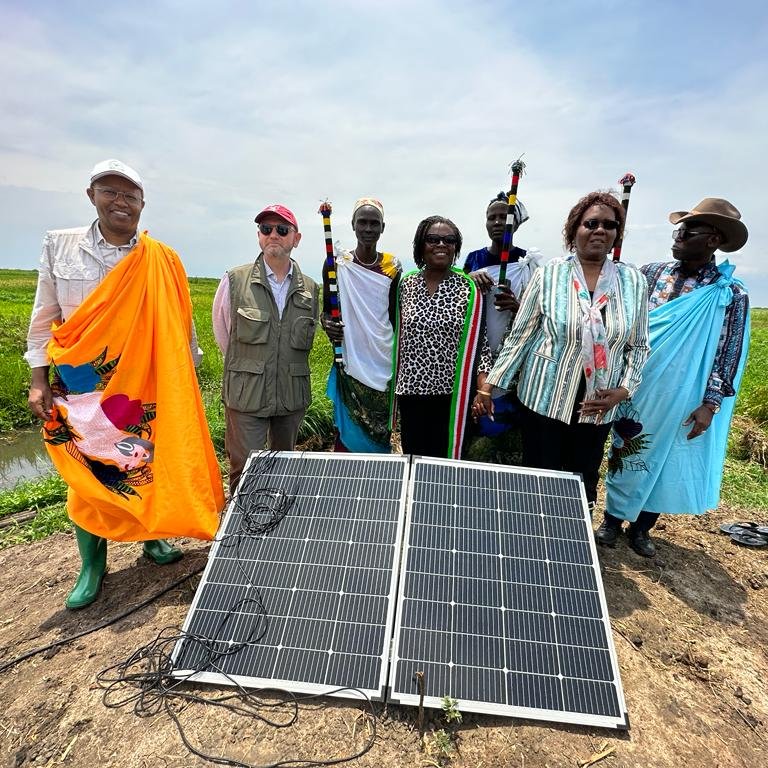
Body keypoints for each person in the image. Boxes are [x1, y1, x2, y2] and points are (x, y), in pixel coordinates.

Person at [25, 159, 224, 610]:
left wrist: (184, 376)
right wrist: (38, 378)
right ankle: (92, 565)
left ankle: (152, 538)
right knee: (88, 471)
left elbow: (181, 324)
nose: (120, 201)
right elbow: (43, 317)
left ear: (142, 203)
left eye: (130, 195)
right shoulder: (60, 245)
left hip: (144, 385)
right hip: (82, 384)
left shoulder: (161, 258)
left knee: (144, 462)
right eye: (110, 191)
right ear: (91, 195)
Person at [474, 191, 650, 512]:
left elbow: (638, 345)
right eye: (591, 223)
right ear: (574, 229)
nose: (600, 230)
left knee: (582, 478)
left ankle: (572, 536)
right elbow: (521, 336)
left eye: (609, 225)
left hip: (598, 403)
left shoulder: (633, 282)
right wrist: (489, 387)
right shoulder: (550, 274)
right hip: (544, 398)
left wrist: (624, 390)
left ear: (617, 233)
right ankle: (533, 531)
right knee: (540, 476)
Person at [600, 198, 750, 557]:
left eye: (688, 232)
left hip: (685, 391)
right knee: (627, 447)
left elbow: (727, 352)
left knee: (665, 458)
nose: (678, 237)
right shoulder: (650, 274)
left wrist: (710, 404)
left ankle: (642, 528)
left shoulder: (729, 292)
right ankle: (611, 520)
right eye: (678, 231)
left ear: (713, 239)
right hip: (639, 383)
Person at [213, 204, 320, 494]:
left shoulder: (311, 290)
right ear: (259, 235)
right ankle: (242, 520)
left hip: (291, 395)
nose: (274, 235)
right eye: (266, 229)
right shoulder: (235, 280)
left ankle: (277, 519)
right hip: (246, 394)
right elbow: (224, 334)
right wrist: (251, 366)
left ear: (296, 239)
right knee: (244, 468)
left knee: (283, 467)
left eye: (282, 230)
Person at [390, 216, 491, 459]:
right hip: (411, 394)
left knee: (446, 465)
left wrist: (484, 390)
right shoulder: (406, 285)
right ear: (420, 245)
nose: (441, 245)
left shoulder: (467, 288)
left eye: (449, 240)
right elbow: (392, 333)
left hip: (452, 397)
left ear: (456, 247)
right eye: (433, 239)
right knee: (415, 461)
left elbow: (481, 345)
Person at [463, 193, 543, 458]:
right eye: (492, 217)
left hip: (513, 356)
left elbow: (540, 313)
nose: (497, 222)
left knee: (510, 430)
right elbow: (461, 298)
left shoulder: (526, 262)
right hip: (479, 351)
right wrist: (471, 279)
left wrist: (518, 306)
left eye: (504, 217)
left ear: (516, 223)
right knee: (475, 425)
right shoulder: (474, 259)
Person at [321, 198, 401, 452]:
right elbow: (326, 311)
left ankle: (378, 473)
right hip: (350, 357)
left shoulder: (392, 267)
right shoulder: (337, 264)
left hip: (382, 357)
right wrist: (327, 324)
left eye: (374, 223)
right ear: (353, 225)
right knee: (347, 432)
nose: (368, 228)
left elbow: (394, 315)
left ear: (382, 227)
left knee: (380, 431)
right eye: (362, 222)